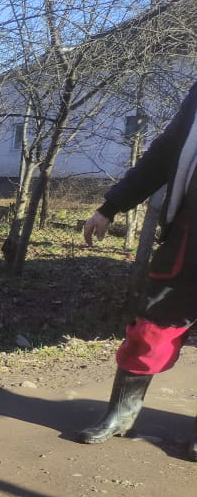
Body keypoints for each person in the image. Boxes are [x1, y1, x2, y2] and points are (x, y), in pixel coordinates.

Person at [79, 80, 197, 458]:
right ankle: (120, 415)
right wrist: (110, 206)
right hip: (188, 238)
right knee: (151, 328)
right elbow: (163, 155)